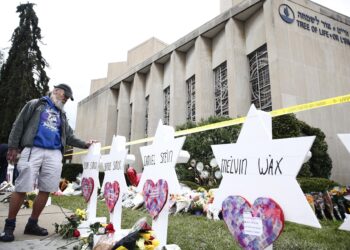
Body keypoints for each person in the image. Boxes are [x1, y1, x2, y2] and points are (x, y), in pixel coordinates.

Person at [0, 83, 96, 242]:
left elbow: (69, 137)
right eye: (65, 96)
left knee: (47, 188)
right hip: (33, 149)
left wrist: (85, 144)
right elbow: (19, 124)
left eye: (68, 99)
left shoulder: (63, 116)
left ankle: (32, 223)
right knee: (22, 186)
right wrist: (13, 146)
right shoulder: (35, 104)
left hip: (54, 153)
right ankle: (9, 226)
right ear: (56, 91)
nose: (65, 100)